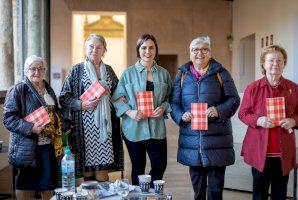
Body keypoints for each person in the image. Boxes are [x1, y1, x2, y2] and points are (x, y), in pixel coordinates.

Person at [170, 36, 240, 200]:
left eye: (204, 49)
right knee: (198, 191)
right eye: (195, 49)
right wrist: (181, 115)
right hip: (193, 142)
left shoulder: (221, 73)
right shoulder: (182, 75)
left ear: (210, 52)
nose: (199, 53)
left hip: (217, 141)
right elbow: (173, 103)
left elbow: (234, 99)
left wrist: (219, 110)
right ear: (190, 53)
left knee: (215, 191)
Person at [238, 45, 298, 200]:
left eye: (280, 60)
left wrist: (294, 120)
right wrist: (258, 120)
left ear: (284, 64)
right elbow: (243, 114)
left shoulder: (294, 88)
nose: (275, 64)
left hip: (283, 153)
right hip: (259, 152)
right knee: (259, 193)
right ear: (263, 64)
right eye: (271, 60)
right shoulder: (253, 88)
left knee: (280, 193)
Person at [59, 34, 123, 182]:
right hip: (84, 131)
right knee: (87, 173)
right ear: (85, 49)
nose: (94, 50)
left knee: (102, 172)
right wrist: (81, 104)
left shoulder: (109, 70)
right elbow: (64, 98)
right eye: (91, 46)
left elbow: (119, 93)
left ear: (104, 50)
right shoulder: (76, 70)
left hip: (105, 129)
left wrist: (113, 93)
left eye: (98, 47)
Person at [112, 34, 172, 185]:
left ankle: (149, 193)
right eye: (144, 47)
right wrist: (130, 112)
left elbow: (170, 98)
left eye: (151, 47)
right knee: (138, 167)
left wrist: (163, 107)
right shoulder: (128, 73)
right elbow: (117, 98)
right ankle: (139, 196)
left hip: (156, 128)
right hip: (133, 128)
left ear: (156, 50)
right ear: (138, 50)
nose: (148, 51)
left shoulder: (164, 74)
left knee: (160, 165)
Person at [3, 55, 59, 200]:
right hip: (27, 146)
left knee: (48, 182)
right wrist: (31, 127)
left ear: (45, 71)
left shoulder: (48, 88)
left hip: (48, 144)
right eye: (32, 68)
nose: (37, 72)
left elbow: (55, 113)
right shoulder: (18, 89)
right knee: (26, 183)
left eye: (40, 69)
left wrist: (62, 123)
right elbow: (9, 119)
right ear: (25, 71)